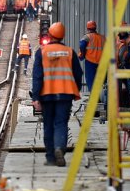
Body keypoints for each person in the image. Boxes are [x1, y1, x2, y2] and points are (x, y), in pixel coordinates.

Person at [30, 22, 82, 167]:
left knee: (48, 125)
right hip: (65, 94)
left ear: (50, 35)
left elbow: (37, 76)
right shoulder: (70, 52)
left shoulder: (42, 52)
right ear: (62, 35)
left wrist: (35, 97)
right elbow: (78, 74)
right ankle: (60, 147)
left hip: (47, 95)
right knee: (61, 123)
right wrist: (75, 90)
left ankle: (51, 157)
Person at [79, 20, 105, 94]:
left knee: (90, 79)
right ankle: (101, 95)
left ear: (87, 28)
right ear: (95, 27)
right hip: (101, 62)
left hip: (90, 62)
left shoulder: (86, 37)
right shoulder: (102, 38)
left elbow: (81, 46)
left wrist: (82, 55)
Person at [116, 31, 130, 107]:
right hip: (119, 63)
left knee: (128, 81)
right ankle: (121, 98)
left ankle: (128, 99)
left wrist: (125, 60)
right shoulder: (117, 37)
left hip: (127, 63)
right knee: (120, 81)